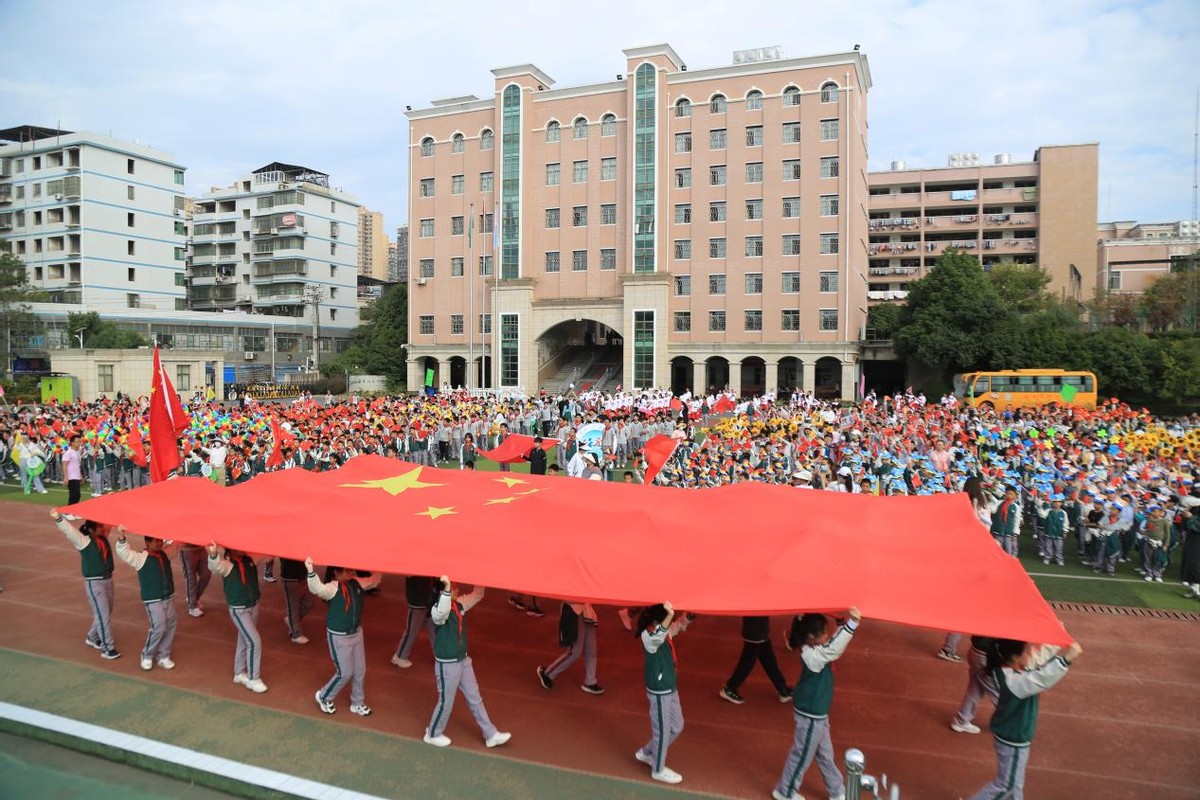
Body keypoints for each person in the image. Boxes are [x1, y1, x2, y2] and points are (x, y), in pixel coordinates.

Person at [964, 638, 1083, 800]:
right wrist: (1065, 659)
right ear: (1014, 658)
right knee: (1006, 786)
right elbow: (1040, 679)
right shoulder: (1013, 680)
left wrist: (1056, 639)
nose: (1030, 652)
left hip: (1013, 737)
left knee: (1014, 785)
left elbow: (1036, 659)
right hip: (1013, 739)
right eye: (1026, 650)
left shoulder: (1009, 669)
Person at [772, 607, 862, 800]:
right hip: (810, 717)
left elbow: (832, 643)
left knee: (825, 755)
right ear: (812, 636)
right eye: (825, 633)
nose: (828, 636)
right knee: (801, 755)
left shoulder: (814, 648)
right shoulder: (812, 656)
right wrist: (852, 624)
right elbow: (834, 648)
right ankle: (785, 791)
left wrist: (844, 624)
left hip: (818, 716)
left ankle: (836, 791)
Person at [424, 576, 511, 749]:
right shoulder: (437, 611)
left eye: (454, 586)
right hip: (447, 664)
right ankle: (432, 733)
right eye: (452, 587)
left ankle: (490, 734)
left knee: (474, 697)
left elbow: (477, 595)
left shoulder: (460, 604)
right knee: (446, 701)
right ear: (443, 592)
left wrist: (479, 573)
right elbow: (441, 612)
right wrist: (447, 588)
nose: (457, 589)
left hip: (463, 660)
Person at [306, 557, 381, 716]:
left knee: (360, 670)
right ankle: (324, 696)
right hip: (339, 636)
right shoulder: (332, 588)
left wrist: (379, 564)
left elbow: (374, 580)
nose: (351, 572)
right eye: (347, 570)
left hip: (356, 633)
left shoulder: (356, 583)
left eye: (350, 569)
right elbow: (316, 588)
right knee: (345, 672)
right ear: (336, 573)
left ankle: (357, 702)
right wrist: (310, 571)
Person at [634, 602, 693, 785]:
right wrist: (669, 615)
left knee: (677, 726)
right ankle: (658, 770)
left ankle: (647, 752)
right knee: (663, 732)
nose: (672, 620)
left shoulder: (664, 630)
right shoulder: (649, 636)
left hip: (670, 686)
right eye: (669, 617)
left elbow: (677, 626)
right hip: (659, 690)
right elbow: (659, 636)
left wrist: (690, 615)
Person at [51, 510, 120, 660]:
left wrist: (109, 504)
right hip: (95, 583)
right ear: (90, 529)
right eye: (99, 526)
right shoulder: (84, 541)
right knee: (102, 614)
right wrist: (58, 519)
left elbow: (109, 521)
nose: (103, 528)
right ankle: (108, 648)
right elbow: (69, 531)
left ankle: (92, 636)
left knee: (106, 612)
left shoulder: (103, 537)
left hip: (108, 579)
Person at [114, 526, 180, 671]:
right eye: (156, 541)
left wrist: (183, 530)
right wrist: (121, 537)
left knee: (170, 625)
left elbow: (176, 544)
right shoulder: (141, 558)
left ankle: (164, 655)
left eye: (160, 540)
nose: (159, 543)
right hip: (153, 599)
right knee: (159, 627)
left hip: (168, 596)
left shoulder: (165, 553)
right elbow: (124, 553)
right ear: (147, 543)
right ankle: (147, 655)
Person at [205, 541, 268, 692]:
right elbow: (215, 567)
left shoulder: (250, 559)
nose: (241, 548)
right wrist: (213, 555)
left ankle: (239, 672)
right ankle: (254, 678)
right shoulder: (227, 565)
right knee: (254, 641)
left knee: (244, 639)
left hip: (253, 605)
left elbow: (268, 555)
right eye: (236, 546)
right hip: (239, 609)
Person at [719, 616, 791, 705]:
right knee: (750, 658)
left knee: (767, 655)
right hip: (755, 622)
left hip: (757, 621)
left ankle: (782, 689)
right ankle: (730, 687)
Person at [537, 601, 603, 695]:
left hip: (588, 612)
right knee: (574, 652)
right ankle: (547, 673)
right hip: (574, 611)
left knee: (591, 650)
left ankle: (590, 681)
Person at [949, 635, 995, 734]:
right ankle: (1012, 725)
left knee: (975, 689)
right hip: (987, 657)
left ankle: (962, 719)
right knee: (1001, 694)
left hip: (976, 651)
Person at [391, 574, 437, 669]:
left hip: (428, 600)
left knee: (434, 629)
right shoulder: (412, 564)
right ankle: (400, 656)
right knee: (412, 631)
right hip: (418, 601)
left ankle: (440, 656)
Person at [279, 556, 314, 644]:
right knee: (292, 606)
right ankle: (295, 634)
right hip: (290, 578)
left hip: (303, 576)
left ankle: (291, 620)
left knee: (309, 602)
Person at [179, 541, 212, 618]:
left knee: (206, 574)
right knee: (191, 579)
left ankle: (193, 598)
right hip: (187, 550)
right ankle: (192, 606)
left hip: (201, 547)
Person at [62, 434, 83, 505]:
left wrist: (81, 476)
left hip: (76, 477)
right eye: (77, 441)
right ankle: (69, 512)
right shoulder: (69, 452)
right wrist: (65, 477)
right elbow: (64, 464)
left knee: (77, 495)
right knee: (74, 495)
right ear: (72, 443)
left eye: (80, 441)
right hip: (71, 477)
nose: (79, 443)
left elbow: (77, 466)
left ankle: (72, 511)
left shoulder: (77, 453)